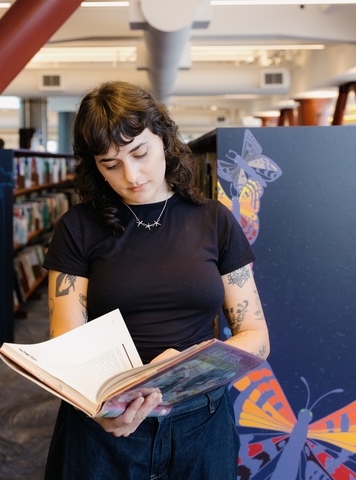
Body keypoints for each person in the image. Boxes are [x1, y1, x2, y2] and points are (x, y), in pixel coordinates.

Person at [42, 81, 270, 479]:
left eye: (139, 152)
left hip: (200, 419)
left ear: (164, 139)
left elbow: (256, 336)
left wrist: (185, 369)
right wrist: (101, 414)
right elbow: (67, 344)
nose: (131, 175)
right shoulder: (76, 228)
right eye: (110, 164)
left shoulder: (214, 221)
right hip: (105, 426)